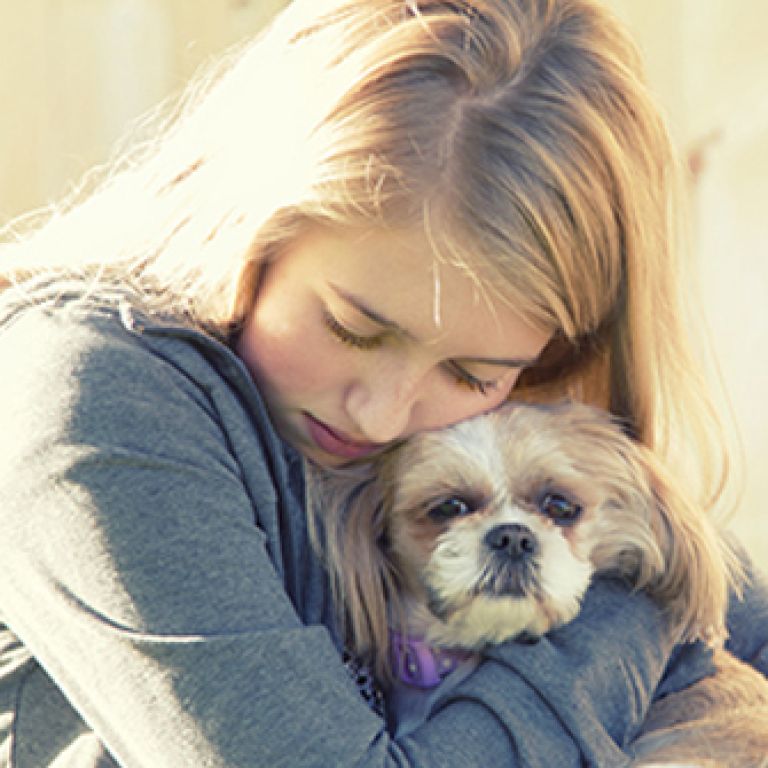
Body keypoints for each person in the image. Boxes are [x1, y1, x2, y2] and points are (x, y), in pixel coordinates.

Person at [1, 0, 766, 765]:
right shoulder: (92, 396)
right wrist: (642, 609)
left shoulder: (474, 428)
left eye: (473, 375)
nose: (385, 414)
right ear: (252, 227)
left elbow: (737, 609)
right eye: (353, 328)